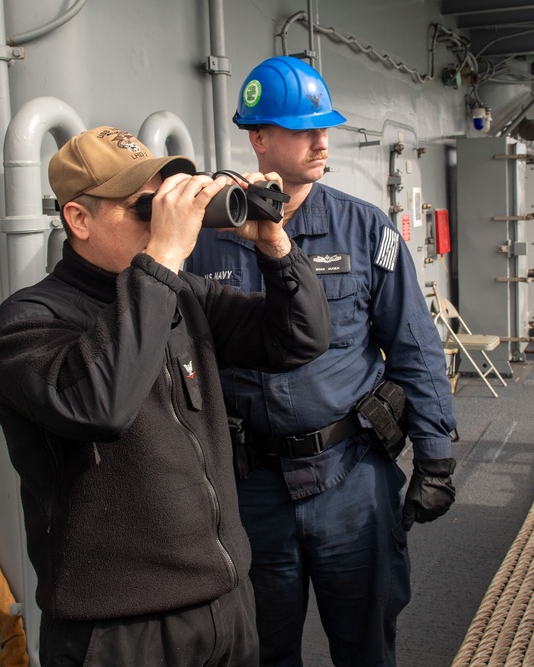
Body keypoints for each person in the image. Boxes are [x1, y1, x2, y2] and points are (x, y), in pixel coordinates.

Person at [0, 126, 331, 666]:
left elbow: (300, 337)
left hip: (225, 604)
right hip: (121, 629)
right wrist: (163, 256)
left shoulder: (181, 295)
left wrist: (275, 246)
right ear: (79, 219)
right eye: (145, 207)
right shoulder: (27, 323)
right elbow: (100, 405)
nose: (163, 220)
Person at [189, 56, 458, 666]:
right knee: (261, 651)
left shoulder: (364, 230)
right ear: (259, 139)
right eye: (302, 128)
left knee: (365, 644)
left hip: (351, 479)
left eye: (325, 126)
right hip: (250, 487)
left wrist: (436, 458)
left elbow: (413, 344)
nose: (321, 140)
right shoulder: (203, 241)